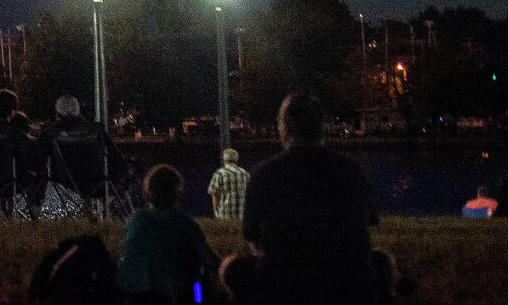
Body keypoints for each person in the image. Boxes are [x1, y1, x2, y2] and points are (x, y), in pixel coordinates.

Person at [242, 93, 378, 305]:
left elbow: (251, 234)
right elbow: (368, 221)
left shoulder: (264, 175)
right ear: (321, 126)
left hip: (285, 285)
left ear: (284, 126)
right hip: (347, 283)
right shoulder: (351, 170)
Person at [116, 164, 217, 305]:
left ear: (145, 196)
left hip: (135, 296)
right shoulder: (187, 224)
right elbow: (208, 258)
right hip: (175, 295)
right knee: (200, 280)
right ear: (180, 195)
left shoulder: (134, 221)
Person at [209, 147, 249, 220]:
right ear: (237, 160)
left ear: (224, 159)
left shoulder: (219, 174)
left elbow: (214, 194)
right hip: (242, 215)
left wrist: (216, 213)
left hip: (224, 216)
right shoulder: (245, 173)